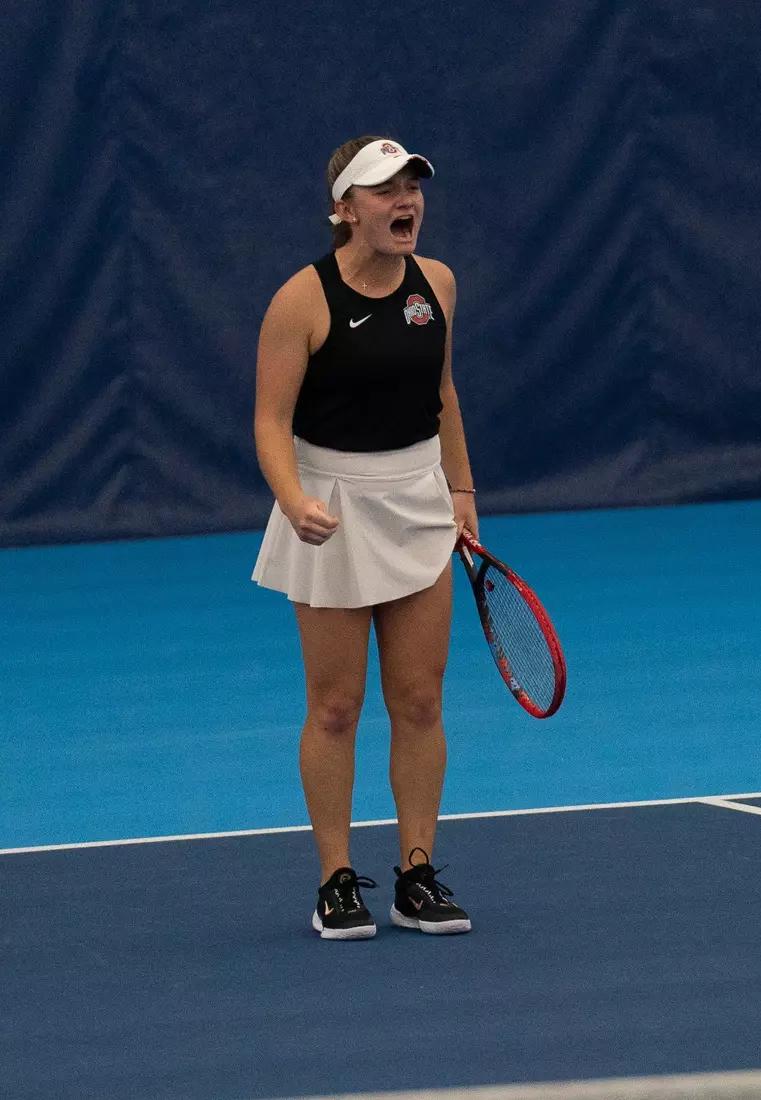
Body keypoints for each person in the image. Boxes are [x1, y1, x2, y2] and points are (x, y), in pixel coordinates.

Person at [252, 136, 477, 940]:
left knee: (419, 701)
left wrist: (461, 490)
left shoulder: (438, 285)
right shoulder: (300, 301)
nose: (404, 198)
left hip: (417, 499)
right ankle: (336, 881)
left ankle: (416, 877)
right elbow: (270, 423)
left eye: (412, 183)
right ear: (346, 209)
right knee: (337, 707)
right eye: (383, 188)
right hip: (332, 508)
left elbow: (442, 393)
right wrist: (293, 499)